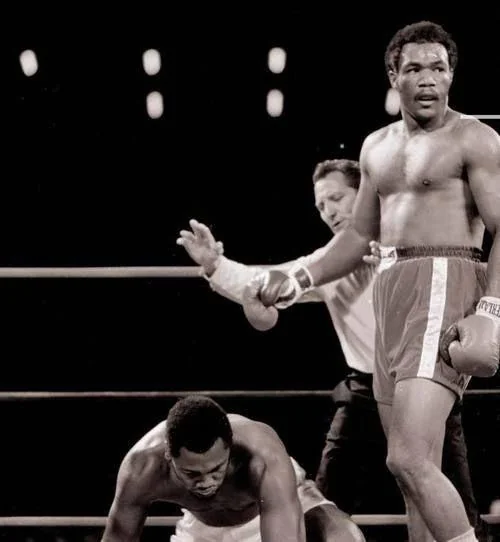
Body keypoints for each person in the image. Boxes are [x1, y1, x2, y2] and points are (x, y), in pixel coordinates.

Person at [251, 20, 500, 542]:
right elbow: (356, 236)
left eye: (438, 67)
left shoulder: (475, 137)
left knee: (407, 457)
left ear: (452, 75)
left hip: (445, 279)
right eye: (414, 68)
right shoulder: (375, 147)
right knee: (412, 473)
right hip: (391, 286)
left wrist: (490, 309)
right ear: (394, 76)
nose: (428, 79)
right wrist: (296, 278)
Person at [176, 159, 487, 539]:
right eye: (321, 206)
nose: (330, 211)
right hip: (362, 392)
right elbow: (266, 284)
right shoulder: (327, 265)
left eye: (337, 198)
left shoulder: (417, 245)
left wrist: (394, 264)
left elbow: (465, 279)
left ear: (365, 195)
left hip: (424, 385)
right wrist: (215, 265)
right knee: (321, 504)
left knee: (453, 502)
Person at [101, 394, 365, 542]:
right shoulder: (142, 468)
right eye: (192, 473)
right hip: (203, 529)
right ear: (169, 455)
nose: (206, 482)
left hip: (275, 512)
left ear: (229, 447)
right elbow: (117, 539)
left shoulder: (261, 456)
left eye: (216, 470)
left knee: (344, 536)